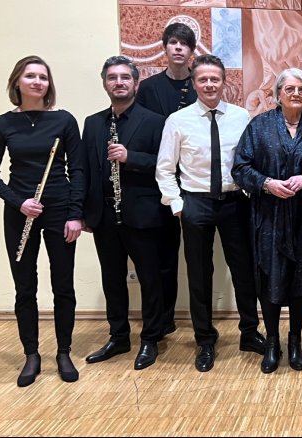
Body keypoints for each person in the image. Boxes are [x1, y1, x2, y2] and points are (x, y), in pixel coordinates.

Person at [155, 54, 265, 373]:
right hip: (196, 203)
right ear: (194, 84)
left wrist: (248, 192)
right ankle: (205, 339)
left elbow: (251, 160)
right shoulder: (179, 121)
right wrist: (177, 205)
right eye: (202, 80)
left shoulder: (241, 116)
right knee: (199, 275)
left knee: (244, 271)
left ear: (223, 82)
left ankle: (249, 332)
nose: (209, 84)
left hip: (235, 203)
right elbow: (165, 168)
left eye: (214, 79)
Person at [0, 55, 85, 386]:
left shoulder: (64, 120)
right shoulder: (3, 123)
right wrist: (19, 202)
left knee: (63, 285)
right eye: (30, 76)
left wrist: (75, 214)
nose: (38, 81)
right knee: (25, 286)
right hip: (20, 210)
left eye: (43, 77)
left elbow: (78, 170)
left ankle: (64, 352)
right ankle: (31, 354)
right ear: (17, 82)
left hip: (59, 208)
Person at [232, 68, 302, 374]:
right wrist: (266, 183)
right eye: (290, 88)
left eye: (301, 89)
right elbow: (240, 167)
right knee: (269, 277)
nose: (296, 93)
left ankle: (295, 341)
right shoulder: (258, 127)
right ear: (278, 94)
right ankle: (272, 341)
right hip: (268, 218)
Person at [81, 56, 169, 370]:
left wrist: (132, 157)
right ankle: (119, 336)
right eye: (112, 78)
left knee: (149, 279)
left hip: (142, 213)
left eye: (125, 77)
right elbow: (83, 169)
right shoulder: (93, 122)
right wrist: (83, 212)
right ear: (105, 83)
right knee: (112, 279)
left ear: (135, 82)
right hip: (104, 215)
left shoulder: (155, 120)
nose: (119, 82)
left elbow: (166, 164)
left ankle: (151, 338)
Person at [137, 22, 199, 336]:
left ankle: (174, 315)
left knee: (191, 255)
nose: (177, 48)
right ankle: (161, 319)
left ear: (191, 51)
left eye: (184, 44)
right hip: (158, 180)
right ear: (165, 47)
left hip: (193, 182)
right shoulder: (147, 89)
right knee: (162, 254)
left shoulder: (200, 84)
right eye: (172, 42)